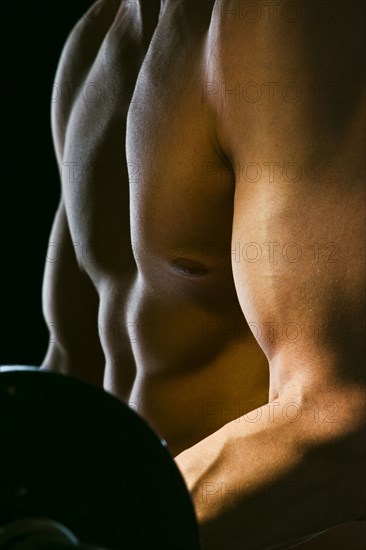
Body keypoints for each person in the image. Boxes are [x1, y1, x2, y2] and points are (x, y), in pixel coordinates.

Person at [41, 0, 365, 548]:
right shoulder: (99, 36)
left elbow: (341, 416)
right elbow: (71, 380)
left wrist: (94, 536)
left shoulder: (296, 20)